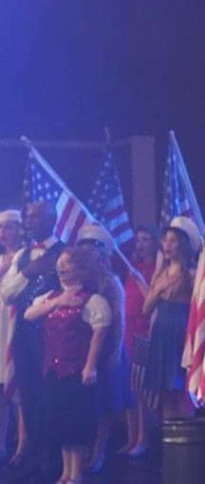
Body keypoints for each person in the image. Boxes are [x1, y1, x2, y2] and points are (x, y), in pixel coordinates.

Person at [24, 245, 111, 484]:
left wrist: (90, 366)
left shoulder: (92, 301)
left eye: (68, 264)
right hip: (52, 369)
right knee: (59, 420)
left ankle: (76, 472)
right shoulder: (49, 298)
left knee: (76, 422)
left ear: (80, 269)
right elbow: (28, 315)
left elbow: (99, 334)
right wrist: (57, 302)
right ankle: (65, 471)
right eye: (60, 264)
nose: (61, 268)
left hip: (76, 370)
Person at [0, 201, 66, 477]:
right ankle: (35, 455)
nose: (29, 222)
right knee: (28, 396)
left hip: (55, 335)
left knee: (51, 396)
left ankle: (55, 459)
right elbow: (7, 294)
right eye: (27, 217)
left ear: (51, 219)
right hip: (25, 336)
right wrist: (28, 272)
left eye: (35, 216)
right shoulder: (24, 256)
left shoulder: (64, 252)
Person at [73, 224, 130, 474]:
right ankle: (83, 448)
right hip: (79, 347)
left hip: (106, 348)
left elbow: (119, 320)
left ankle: (100, 449)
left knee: (104, 403)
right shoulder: (77, 280)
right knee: (85, 403)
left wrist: (115, 353)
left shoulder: (111, 283)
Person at [142, 218, 199, 420]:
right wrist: (157, 290)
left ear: (183, 245)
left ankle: (188, 438)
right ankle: (170, 443)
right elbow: (146, 309)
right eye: (165, 240)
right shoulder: (159, 275)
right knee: (165, 392)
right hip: (161, 333)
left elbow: (199, 309)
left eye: (173, 241)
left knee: (181, 390)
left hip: (181, 333)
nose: (167, 245)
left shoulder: (191, 275)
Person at [120, 226, 157, 457]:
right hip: (129, 333)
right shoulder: (134, 268)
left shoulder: (157, 269)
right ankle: (131, 437)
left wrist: (143, 282)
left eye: (146, 239)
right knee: (129, 389)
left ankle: (144, 439)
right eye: (138, 240)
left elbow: (151, 302)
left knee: (143, 389)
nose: (141, 244)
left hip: (146, 333)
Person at [0, 209, 23, 463]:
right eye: (0, 228)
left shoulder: (23, 258)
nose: (3, 233)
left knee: (17, 388)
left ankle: (22, 444)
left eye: (7, 227)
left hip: (15, 323)